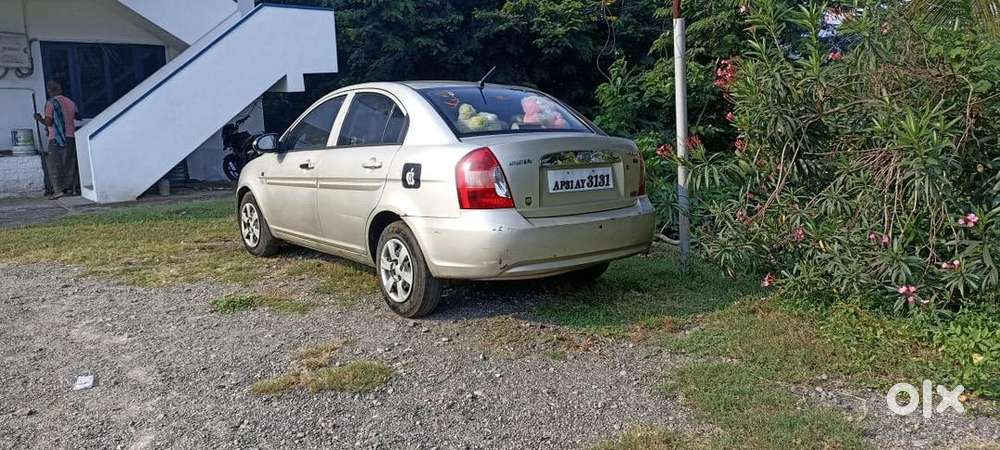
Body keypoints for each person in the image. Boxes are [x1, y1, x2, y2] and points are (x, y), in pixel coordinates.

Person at [33, 81, 79, 199]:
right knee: (70, 163)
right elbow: (76, 116)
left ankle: (58, 190)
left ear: (49, 91)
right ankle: (72, 189)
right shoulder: (71, 102)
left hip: (56, 138)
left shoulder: (51, 103)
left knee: (54, 164)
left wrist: (39, 119)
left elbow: (49, 122)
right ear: (61, 90)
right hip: (71, 136)